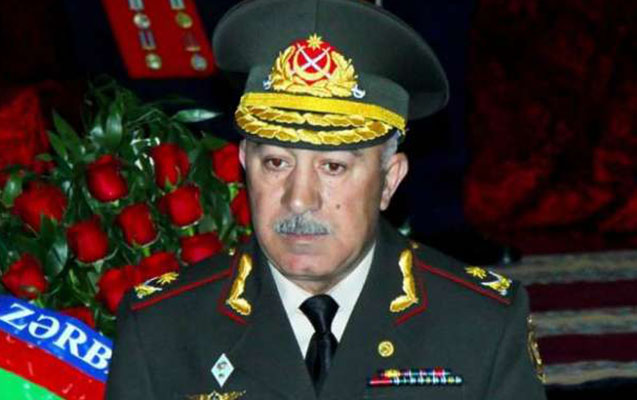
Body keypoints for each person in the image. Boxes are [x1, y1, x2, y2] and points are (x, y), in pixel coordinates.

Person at [105, 1, 547, 399]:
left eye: (333, 167)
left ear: (389, 180)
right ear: (244, 165)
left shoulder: (480, 326)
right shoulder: (162, 329)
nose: (299, 200)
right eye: (276, 163)